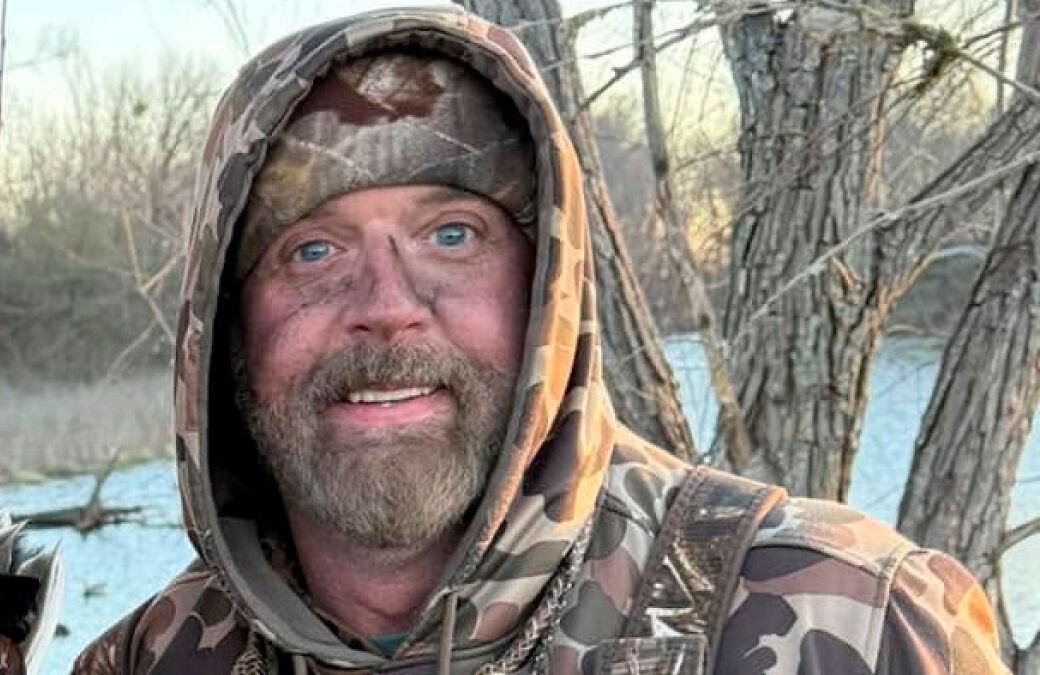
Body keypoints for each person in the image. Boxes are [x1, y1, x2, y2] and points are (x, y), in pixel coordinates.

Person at [72, 6, 1007, 674]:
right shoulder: (150, 658)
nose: (387, 304)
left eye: (452, 235)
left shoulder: (854, 621)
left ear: (546, 292)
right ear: (229, 332)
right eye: (311, 251)